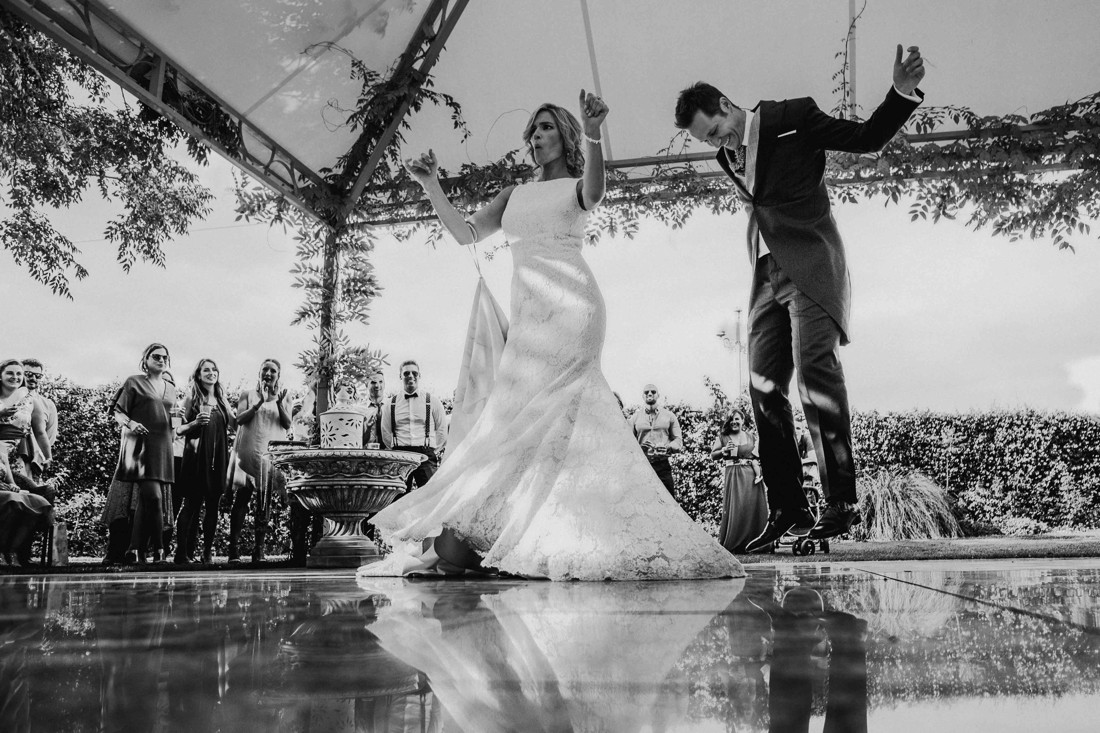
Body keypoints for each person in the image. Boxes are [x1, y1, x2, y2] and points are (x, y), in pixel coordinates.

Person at [362, 91, 741, 580]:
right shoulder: (514, 195)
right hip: (529, 322)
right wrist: (431, 184)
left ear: (563, 134)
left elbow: (596, 193)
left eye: (545, 128)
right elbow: (465, 234)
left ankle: (558, 530)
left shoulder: (578, 185)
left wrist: (594, 131)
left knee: (567, 422)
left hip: (574, 312)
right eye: (533, 130)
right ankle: (512, 528)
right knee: (512, 423)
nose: (536, 136)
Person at [674, 45, 926, 550]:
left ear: (725, 104)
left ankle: (840, 502)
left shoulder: (793, 116)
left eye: (715, 130)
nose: (718, 144)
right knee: (763, 389)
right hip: (765, 275)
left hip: (810, 263)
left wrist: (900, 92)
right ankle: (789, 509)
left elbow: (867, 138)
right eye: (707, 141)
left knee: (816, 370)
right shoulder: (727, 155)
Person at [108, 343, 178, 564]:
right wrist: (130, 423)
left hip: (163, 445)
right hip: (140, 444)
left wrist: (186, 420)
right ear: (145, 360)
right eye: (155, 356)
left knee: (146, 501)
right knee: (154, 497)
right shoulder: (134, 382)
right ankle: (158, 549)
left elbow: (175, 424)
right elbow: (117, 412)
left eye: (164, 357)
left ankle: (134, 549)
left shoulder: (171, 387)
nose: (161, 360)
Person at [227, 359, 292, 563]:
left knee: (264, 501)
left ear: (278, 375)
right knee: (242, 499)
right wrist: (259, 403)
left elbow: (287, 423)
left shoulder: (285, 396)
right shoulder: (248, 394)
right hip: (248, 451)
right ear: (260, 372)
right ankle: (234, 549)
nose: (269, 373)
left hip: (269, 455)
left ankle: (259, 549)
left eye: (273, 371)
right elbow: (239, 419)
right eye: (265, 369)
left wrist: (280, 405)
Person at [173, 359, 234, 564]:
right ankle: (181, 553)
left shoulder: (222, 400)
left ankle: (207, 553)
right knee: (191, 505)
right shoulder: (190, 398)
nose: (211, 372)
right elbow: (177, 430)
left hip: (219, 460)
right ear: (198, 375)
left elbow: (236, 425)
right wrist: (194, 423)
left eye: (214, 369)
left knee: (213, 506)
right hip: (196, 458)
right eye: (206, 370)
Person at [379, 359, 448, 490]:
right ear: (400, 376)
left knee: (430, 494)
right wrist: (398, 449)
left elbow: (442, 430)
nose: (410, 376)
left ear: (419, 375)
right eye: (406, 373)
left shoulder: (433, 401)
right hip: (400, 456)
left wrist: (430, 450)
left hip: (426, 456)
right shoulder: (390, 404)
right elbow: (386, 433)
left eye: (414, 373)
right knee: (399, 496)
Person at [710, 407, 767, 553]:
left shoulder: (751, 436)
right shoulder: (723, 437)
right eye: (731, 419)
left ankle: (756, 543)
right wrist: (723, 451)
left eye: (737, 419)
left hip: (750, 474)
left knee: (752, 506)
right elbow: (713, 455)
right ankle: (736, 543)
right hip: (734, 473)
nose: (734, 422)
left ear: (742, 420)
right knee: (737, 506)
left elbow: (757, 455)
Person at [629, 384, 684, 495]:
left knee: (668, 504)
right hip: (642, 467)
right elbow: (627, 444)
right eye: (646, 392)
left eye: (653, 392)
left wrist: (667, 447)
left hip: (662, 466)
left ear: (658, 395)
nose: (650, 394)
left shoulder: (669, 416)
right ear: (642, 396)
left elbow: (678, 441)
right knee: (643, 504)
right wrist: (639, 449)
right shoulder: (634, 418)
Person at [20, 359, 57, 482]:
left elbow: (48, 437)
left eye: (38, 376)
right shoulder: (6, 398)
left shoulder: (48, 405)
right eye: (28, 374)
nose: (33, 379)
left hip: (33, 465)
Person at [0, 359, 34, 477]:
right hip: (1, 450)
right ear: (0, 376)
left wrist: (46, 456)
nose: (15, 377)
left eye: (19, 374)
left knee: (23, 490)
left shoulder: (28, 399)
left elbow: (39, 431)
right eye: (10, 373)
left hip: (21, 450)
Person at [363, 370, 386, 447]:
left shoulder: (391, 406)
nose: (377, 385)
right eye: (373, 382)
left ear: (385, 384)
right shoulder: (360, 409)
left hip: (389, 453)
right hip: (366, 454)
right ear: (366, 384)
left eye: (380, 382)